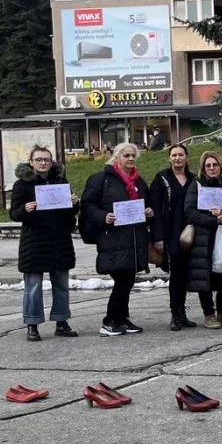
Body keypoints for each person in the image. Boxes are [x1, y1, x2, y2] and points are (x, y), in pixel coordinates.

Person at [81, 143, 158, 336]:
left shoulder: (139, 182)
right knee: (123, 281)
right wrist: (103, 216)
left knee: (127, 280)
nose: (130, 159)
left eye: (133, 156)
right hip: (113, 238)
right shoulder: (101, 179)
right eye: (126, 156)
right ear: (116, 157)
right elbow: (88, 205)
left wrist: (149, 211)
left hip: (134, 239)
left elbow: (147, 204)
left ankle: (122, 319)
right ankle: (109, 321)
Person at [10, 145, 80, 341]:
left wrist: (75, 203)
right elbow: (14, 214)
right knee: (33, 287)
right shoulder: (22, 185)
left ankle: (62, 322)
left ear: (52, 162)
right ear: (31, 162)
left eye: (47, 160)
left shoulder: (60, 181)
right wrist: (25, 209)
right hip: (35, 242)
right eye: (39, 159)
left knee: (62, 285)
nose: (43, 163)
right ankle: (32, 324)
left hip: (59, 241)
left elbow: (70, 212)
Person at [184, 150, 222, 329]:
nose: (212, 168)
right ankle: (209, 314)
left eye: (215, 165)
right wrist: (213, 220)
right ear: (203, 168)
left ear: (221, 166)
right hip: (203, 238)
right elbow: (190, 212)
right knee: (204, 276)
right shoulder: (197, 185)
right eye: (208, 165)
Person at [150, 144, 197, 331]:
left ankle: (183, 314)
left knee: (185, 275)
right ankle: (175, 314)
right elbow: (155, 210)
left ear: (186, 157)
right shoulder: (162, 179)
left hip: (191, 232)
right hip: (171, 233)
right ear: (169, 158)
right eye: (174, 155)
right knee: (176, 275)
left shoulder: (194, 179)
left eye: (181, 155)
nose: (177, 158)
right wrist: (158, 236)